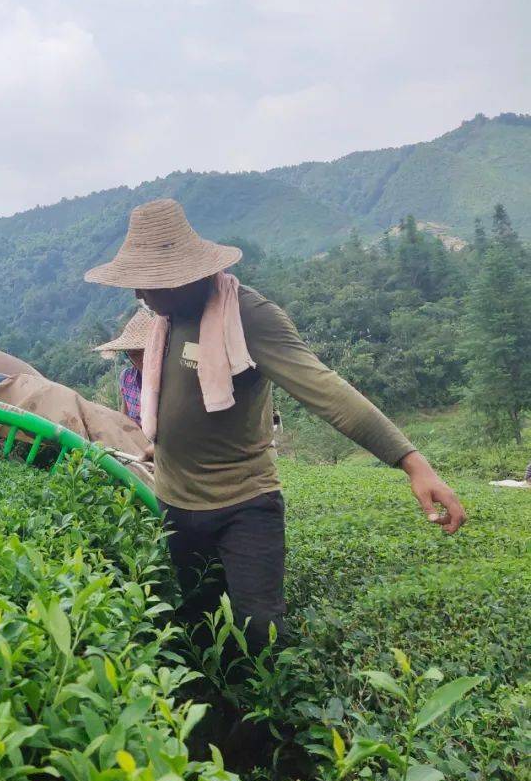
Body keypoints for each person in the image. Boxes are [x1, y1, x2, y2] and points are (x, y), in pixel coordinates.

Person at [85, 199, 466, 651]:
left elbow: (327, 390)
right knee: (201, 624)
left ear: (184, 274)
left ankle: (265, 723)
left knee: (260, 633)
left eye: (149, 283)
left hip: (243, 505)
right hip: (176, 506)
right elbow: (175, 402)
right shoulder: (163, 321)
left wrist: (413, 463)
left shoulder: (248, 317)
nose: (138, 296)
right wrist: (162, 445)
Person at [94, 307, 155, 426]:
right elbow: (124, 419)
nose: (143, 358)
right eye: (135, 354)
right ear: (128, 354)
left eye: (146, 351)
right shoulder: (127, 378)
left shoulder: (169, 378)